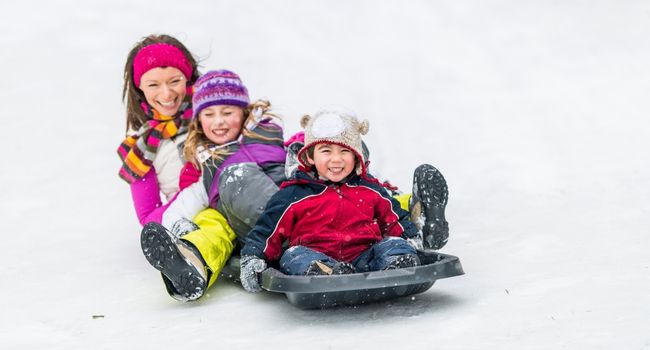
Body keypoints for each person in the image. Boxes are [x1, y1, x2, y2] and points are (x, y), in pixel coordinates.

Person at [239, 107, 425, 292]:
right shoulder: (293, 194)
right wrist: (253, 258)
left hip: (366, 257)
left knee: (393, 244)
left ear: (356, 155)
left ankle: (397, 266)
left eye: (345, 151)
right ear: (310, 156)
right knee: (293, 256)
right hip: (315, 257)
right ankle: (327, 274)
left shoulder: (369, 189)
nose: (336, 159)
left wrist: (410, 238)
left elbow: (394, 218)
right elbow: (266, 231)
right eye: (326, 151)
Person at [140, 70, 287, 301]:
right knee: (212, 221)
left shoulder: (269, 135)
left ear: (244, 112)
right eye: (208, 114)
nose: (218, 121)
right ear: (199, 121)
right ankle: (191, 264)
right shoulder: (207, 165)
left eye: (227, 112)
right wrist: (177, 225)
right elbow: (184, 203)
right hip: (252, 229)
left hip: (294, 209)